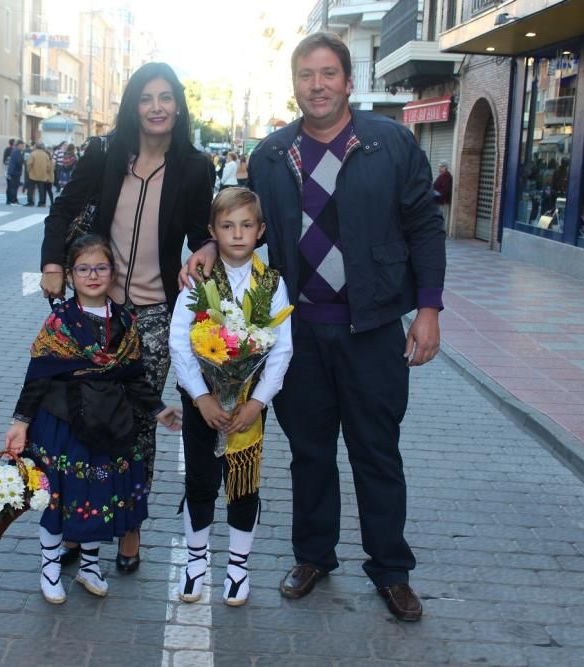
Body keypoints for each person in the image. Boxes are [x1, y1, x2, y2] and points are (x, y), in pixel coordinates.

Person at [182, 32, 445, 622]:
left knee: (377, 452)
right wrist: (207, 246)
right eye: (306, 75)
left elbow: (425, 225)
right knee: (310, 452)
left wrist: (428, 308)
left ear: (348, 81)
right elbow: (252, 224)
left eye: (329, 74)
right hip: (299, 332)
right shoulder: (273, 153)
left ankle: (391, 568)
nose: (317, 85)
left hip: (373, 328)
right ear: (295, 84)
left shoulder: (391, 143)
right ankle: (314, 555)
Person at [40, 61, 215, 573]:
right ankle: (81, 521)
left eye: (165, 97)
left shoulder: (194, 166)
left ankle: (129, 528)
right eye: (146, 97)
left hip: (156, 316)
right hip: (97, 313)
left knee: (138, 424)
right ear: (134, 105)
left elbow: (200, 231)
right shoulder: (104, 154)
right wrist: (54, 263)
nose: (156, 107)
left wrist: (203, 249)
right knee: (80, 416)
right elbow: (60, 210)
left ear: (177, 106)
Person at [5, 234, 182, 605]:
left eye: (100, 267)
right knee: (57, 498)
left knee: (98, 496)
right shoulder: (59, 323)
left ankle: (89, 565)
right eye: (83, 269)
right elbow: (37, 376)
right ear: (71, 275)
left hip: (109, 426)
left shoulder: (124, 320)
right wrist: (21, 422)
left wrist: (158, 409)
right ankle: (50, 568)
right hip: (63, 427)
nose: (92, 275)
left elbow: (133, 377)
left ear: (112, 273)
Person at [169, 187, 293, 607]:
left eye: (246, 226)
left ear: (260, 231)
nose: (237, 234)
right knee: (201, 481)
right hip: (201, 402)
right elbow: (179, 341)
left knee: (242, 485)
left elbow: (283, 347)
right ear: (212, 231)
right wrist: (201, 396)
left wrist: (258, 401)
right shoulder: (199, 279)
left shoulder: (272, 282)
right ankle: (196, 561)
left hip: (247, 405)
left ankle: (238, 566)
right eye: (227, 226)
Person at [25, 142, 53, 207]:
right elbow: (48, 166)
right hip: (42, 175)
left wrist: (28, 171)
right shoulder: (45, 155)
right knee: (41, 190)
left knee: (31, 189)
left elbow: (29, 164)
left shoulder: (33, 154)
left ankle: (30, 202)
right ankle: (41, 203)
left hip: (33, 174)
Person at [433, 160, 453, 225]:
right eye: (439, 167)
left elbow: (445, 190)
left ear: (445, 167)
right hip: (440, 202)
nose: (439, 168)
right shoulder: (443, 175)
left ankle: (441, 234)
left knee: (441, 219)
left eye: (441, 167)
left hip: (442, 202)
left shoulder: (445, 176)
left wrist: (440, 199)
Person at [6, 139, 25, 205]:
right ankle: (13, 200)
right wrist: (23, 160)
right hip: (15, 172)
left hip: (12, 171)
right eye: (22, 146)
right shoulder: (17, 151)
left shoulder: (14, 150)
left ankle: (9, 200)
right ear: (19, 145)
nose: (23, 147)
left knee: (11, 187)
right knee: (14, 187)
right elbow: (18, 161)